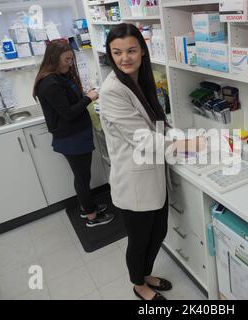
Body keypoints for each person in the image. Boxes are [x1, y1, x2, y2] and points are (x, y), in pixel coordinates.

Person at [99, 24, 205, 300]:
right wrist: (186, 144)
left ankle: (146, 274)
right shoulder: (112, 90)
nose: (125, 58)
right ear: (110, 54)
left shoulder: (139, 80)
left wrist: (179, 137)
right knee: (139, 239)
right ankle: (139, 284)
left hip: (152, 174)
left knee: (157, 233)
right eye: (117, 52)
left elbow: (156, 124)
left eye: (131, 50)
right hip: (134, 180)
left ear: (142, 52)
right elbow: (144, 140)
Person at [33, 39, 114, 227]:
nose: (70, 63)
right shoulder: (49, 83)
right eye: (67, 60)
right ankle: (91, 216)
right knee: (82, 177)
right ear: (54, 59)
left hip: (77, 135)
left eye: (71, 59)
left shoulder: (59, 77)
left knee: (82, 176)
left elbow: (68, 101)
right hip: (71, 138)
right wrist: (89, 98)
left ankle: (88, 207)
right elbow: (68, 113)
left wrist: (84, 94)